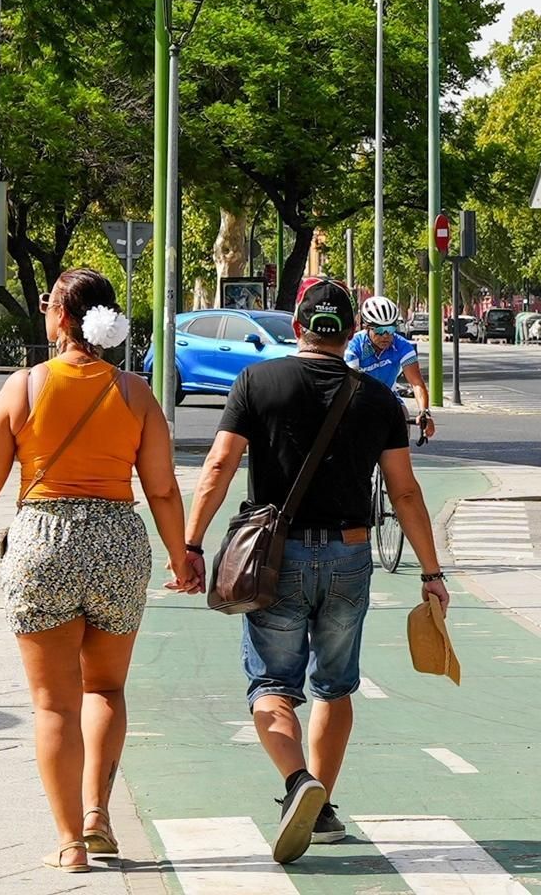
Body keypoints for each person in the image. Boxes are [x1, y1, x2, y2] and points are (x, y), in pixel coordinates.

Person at [182, 279, 450, 865]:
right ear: (351, 333)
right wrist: (432, 572)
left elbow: (220, 464)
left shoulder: (257, 382)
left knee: (273, 685)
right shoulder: (378, 400)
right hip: (351, 556)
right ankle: (323, 807)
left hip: (274, 559)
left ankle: (296, 781)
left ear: (298, 327)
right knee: (336, 684)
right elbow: (404, 492)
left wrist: (192, 543)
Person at [0, 268, 192, 874]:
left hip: (43, 540)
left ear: (62, 317)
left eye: (48, 304)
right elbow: (161, 489)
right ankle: (98, 816)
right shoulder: (136, 394)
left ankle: (69, 843)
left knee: (54, 704)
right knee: (106, 689)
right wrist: (179, 554)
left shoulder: (25, 387)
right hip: (117, 539)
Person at [344, 295, 434, 440]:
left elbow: (416, 383)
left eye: (390, 329)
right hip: (360, 400)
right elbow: (353, 385)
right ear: (366, 327)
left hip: (389, 399)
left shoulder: (402, 346)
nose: (385, 336)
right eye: (379, 330)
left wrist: (424, 412)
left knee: (401, 422)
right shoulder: (353, 347)